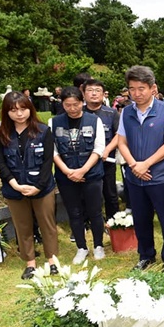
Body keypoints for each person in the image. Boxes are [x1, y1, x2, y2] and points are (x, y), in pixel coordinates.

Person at [117, 66, 164, 270]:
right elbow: (122, 142)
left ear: (152, 88)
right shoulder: (126, 112)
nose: (136, 93)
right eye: (132, 89)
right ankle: (146, 255)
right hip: (134, 177)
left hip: (160, 176)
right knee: (141, 218)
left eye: (141, 88)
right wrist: (135, 165)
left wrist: (146, 164)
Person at [0, 92, 58, 279]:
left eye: (23, 109)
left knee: (48, 225)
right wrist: (15, 184)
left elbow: (48, 162)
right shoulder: (0, 134)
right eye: (13, 110)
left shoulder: (43, 130)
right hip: (14, 188)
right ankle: (30, 263)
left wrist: (38, 186)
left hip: (42, 188)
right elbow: (0, 162)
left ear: (29, 109)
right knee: (23, 226)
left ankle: (52, 261)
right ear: (6, 113)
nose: (19, 114)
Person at [50, 86, 106, 265]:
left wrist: (83, 170)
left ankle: (98, 245)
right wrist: (68, 172)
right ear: (62, 105)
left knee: (95, 211)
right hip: (66, 176)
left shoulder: (94, 120)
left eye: (76, 104)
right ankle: (81, 247)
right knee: (74, 212)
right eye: (68, 105)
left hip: (92, 174)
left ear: (82, 102)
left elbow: (99, 148)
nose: (72, 109)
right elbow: (53, 150)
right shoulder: (54, 122)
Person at [83, 78, 120, 220]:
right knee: (86, 194)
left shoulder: (111, 113)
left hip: (106, 161)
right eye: (90, 90)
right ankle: (87, 221)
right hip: (84, 162)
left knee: (110, 193)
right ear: (84, 93)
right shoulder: (79, 112)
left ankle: (114, 221)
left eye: (97, 91)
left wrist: (107, 149)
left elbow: (119, 135)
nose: (94, 94)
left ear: (104, 94)